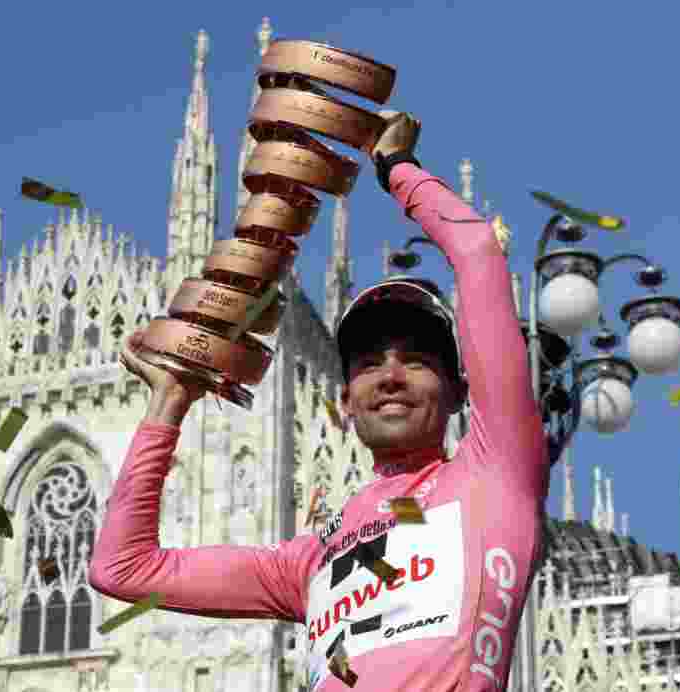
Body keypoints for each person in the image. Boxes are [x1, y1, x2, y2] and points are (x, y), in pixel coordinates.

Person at [89, 110, 551, 691]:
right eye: (366, 363)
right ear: (344, 404)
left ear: (460, 392)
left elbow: (478, 251)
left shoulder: (494, 477)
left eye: (416, 359)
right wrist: (168, 407)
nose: (390, 376)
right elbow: (122, 569)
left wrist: (397, 167)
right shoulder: (314, 559)